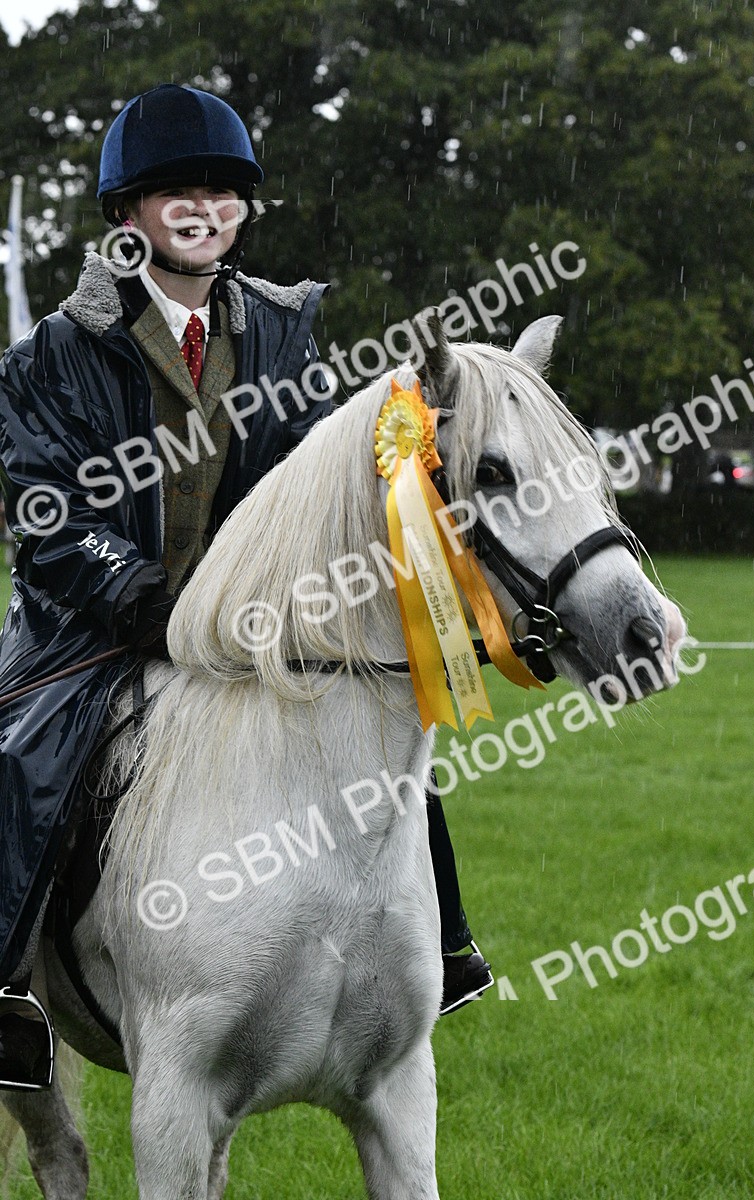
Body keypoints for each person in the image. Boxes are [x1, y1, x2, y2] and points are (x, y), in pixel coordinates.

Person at [0, 84, 492, 1091]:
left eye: (223, 193)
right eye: (179, 190)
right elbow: (45, 517)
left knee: (391, 729)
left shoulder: (281, 329)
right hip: (95, 628)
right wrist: (139, 595)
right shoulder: (52, 353)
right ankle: (7, 992)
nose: (205, 210)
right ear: (128, 214)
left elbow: (316, 477)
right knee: (15, 763)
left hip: (251, 626)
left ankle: (439, 950)